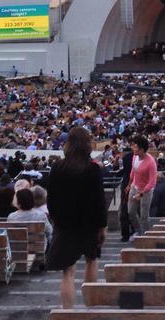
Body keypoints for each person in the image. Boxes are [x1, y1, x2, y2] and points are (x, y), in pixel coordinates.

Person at [45, 126, 108, 309]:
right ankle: (90, 307)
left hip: (65, 224)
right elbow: (99, 201)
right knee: (91, 261)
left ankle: (67, 312)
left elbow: (52, 200)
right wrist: (102, 227)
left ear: (69, 144)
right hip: (89, 224)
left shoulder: (57, 167)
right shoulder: (93, 169)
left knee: (67, 272)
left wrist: (57, 220)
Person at [125, 136, 157, 235]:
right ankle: (139, 231)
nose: (133, 149)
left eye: (135, 147)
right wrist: (129, 185)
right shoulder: (134, 157)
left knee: (144, 216)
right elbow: (133, 171)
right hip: (135, 186)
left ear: (142, 149)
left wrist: (142, 193)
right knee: (131, 212)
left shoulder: (151, 162)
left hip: (146, 191)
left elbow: (152, 182)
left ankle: (145, 235)